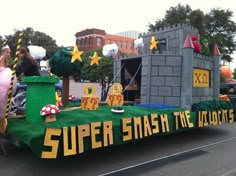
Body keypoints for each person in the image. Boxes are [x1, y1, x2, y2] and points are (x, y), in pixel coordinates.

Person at [0, 45, 17, 121]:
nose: (9, 54)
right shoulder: (1, 59)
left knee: (4, 101)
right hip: (2, 80)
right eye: (7, 52)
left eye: (9, 53)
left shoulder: (6, 61)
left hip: (5, 81)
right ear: (3, 52)